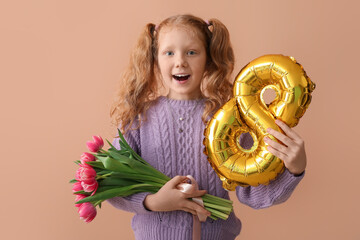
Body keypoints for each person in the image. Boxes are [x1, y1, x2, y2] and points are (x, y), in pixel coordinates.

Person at [108, 14, 306, 240]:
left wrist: (294, 170)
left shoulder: (230, 119)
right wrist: (153, 202)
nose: (180, 61)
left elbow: (253, 193)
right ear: (155, 59)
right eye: (169, 52)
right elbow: (114, 185)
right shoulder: (138, 119)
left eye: (192, 52)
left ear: (208, 59)